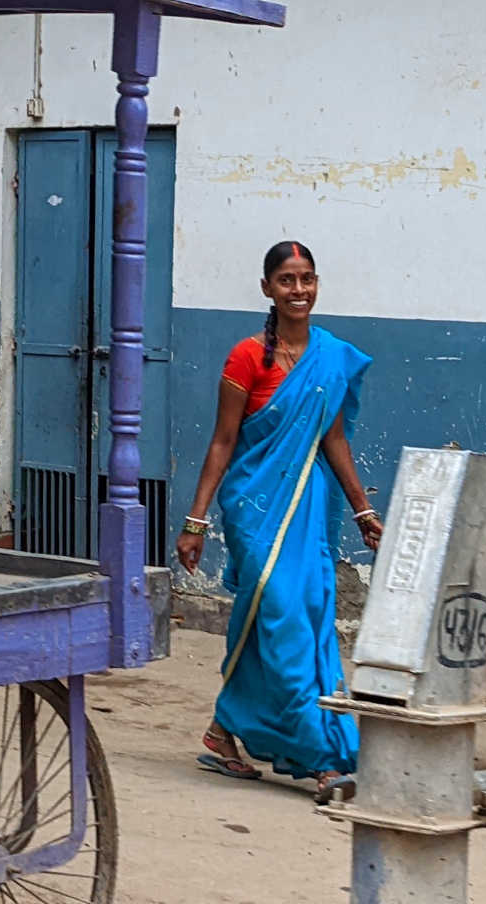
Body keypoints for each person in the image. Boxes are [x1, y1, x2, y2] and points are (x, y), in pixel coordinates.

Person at [176, 241, 382, 802]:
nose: (298, 289)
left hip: (305, 508)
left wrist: (363, 509)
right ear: (267, 288)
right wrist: (195, 521)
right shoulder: (246, 358)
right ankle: (320, 757)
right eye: (287, 279)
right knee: (283, 617)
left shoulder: (329, 357)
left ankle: (222, 731)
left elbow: (333, 439)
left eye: (307, 278)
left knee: (301, 619)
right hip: (255, 508)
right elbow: (223, 442)